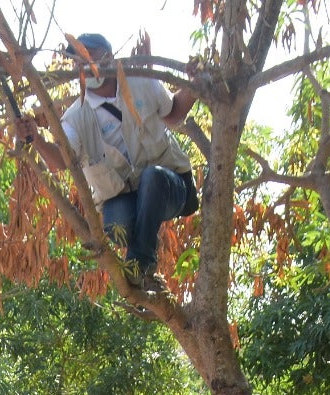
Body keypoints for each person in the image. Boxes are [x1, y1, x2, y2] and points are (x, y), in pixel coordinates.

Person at [17, 32, 198, 291]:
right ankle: (144, 265)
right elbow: (63, 160)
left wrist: (195, 84)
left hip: (170, 185)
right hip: (126, 202)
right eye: (78, 61)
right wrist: (36, 139)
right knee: (116, 225)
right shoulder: (76, 117)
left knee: (152, 177)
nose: (85, 65)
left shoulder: (140, 82)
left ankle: (139, 265)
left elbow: (172, 114)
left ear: (109, 57)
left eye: (90, 57)